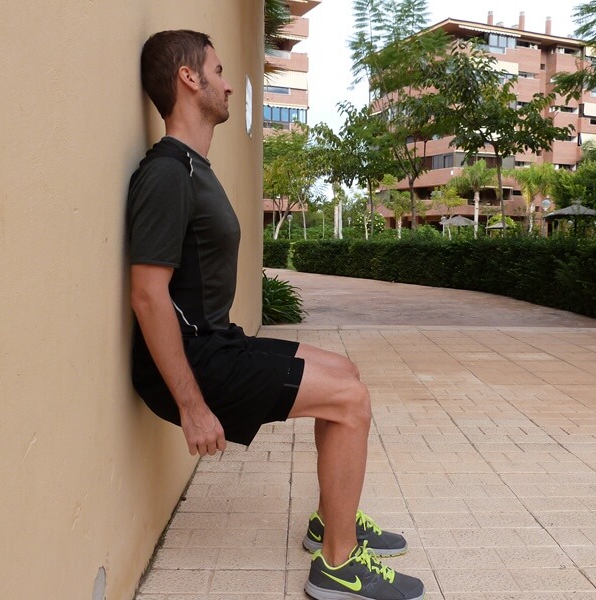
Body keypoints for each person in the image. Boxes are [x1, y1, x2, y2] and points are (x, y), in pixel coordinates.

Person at [127, 30, 424, 600]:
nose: (229, 82)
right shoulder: (167, 173)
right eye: (217, 70)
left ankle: (329, 521)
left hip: (217, 343)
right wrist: (192, 406)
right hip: (194, 363)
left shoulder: (195, 166)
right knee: (350, 401)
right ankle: (337, 567)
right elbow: (147, 295)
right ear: (189, 79)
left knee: (346, 374)